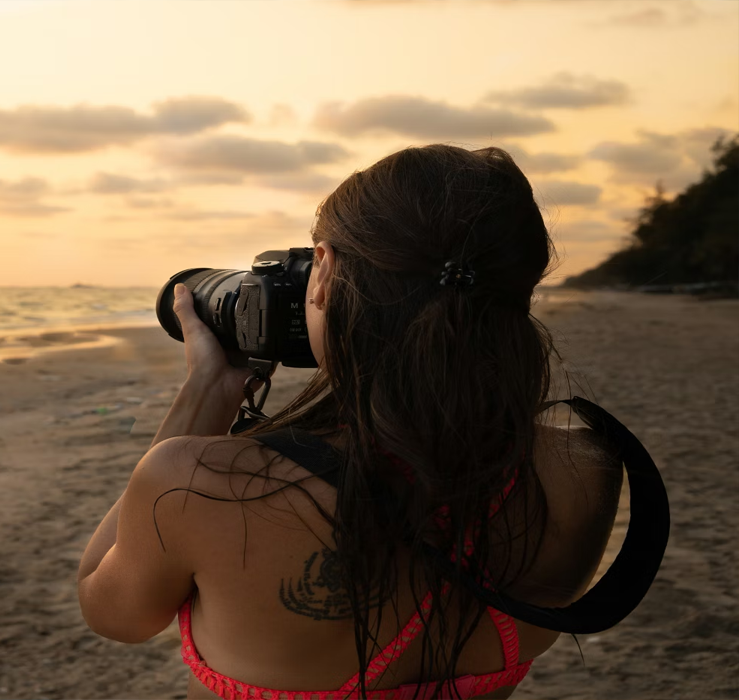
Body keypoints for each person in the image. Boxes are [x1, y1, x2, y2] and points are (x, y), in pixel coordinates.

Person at [77, 145, 625, 699]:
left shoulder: (198, 482)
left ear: (324, 272)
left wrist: (207, 392)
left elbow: (112, 611)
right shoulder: (587, 468)